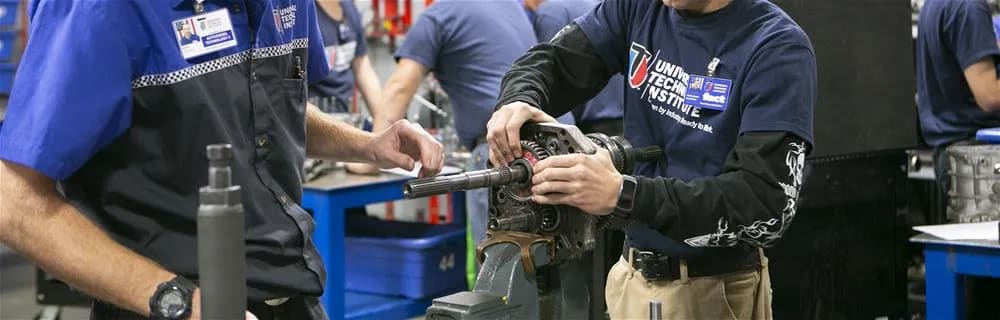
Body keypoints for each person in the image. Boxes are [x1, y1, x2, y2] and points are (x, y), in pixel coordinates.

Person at [0, 1, 443, 320]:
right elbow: (14, 200)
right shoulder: (100, 9)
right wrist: (176, 302)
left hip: (291, 291)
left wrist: (366, 145)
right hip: (164, 303)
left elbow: (268, 105)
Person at [486, 0, 816, 318]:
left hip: (713, 292)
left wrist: (622, 194)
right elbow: (556, 61)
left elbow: (763, 204)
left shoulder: (776, 46)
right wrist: (517, 101)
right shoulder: (639, 7)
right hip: (630, 278)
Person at [350, 0, 573, 286]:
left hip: (506, 152)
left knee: (502, 279)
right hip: (561, 142)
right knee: (559, 272)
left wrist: (372, 158)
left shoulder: (437, 18)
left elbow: (398, 87)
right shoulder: (508, 6)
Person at [916, 0, 1000, 194]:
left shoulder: (935, 4)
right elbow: (990, 95)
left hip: (953, 153)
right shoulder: (969, 6)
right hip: (980, 158)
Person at [527, 0, 625, 136]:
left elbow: (546, 73)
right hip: (626, 120)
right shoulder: (596, 5)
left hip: (590, 128)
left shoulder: (550, 12)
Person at [310, 0, 381, 114]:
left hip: (346, 116)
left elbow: (362, 66)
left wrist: (384, 120)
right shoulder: (304, 14)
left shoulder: (349, 8)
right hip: (314, 120)